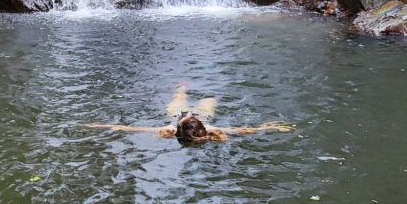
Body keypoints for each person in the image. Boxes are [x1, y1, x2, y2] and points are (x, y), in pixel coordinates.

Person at [86, 83, 295, 143]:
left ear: (180, 126)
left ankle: (182, 88)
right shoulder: (210, 127)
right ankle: (188, 89)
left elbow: (129, 129)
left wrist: (102, 126)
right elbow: (247, 130)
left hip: (175, 113)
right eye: (190, 119)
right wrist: (271, 127)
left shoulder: (170, 127)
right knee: (210, 100)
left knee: (178, 100)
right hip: (203, 115)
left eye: (189, 120)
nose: (189, 117)